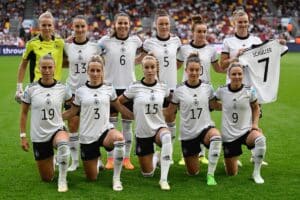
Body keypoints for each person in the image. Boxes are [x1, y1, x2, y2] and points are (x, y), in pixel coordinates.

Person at [62, 55, 133, 191]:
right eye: (92, 70)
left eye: (98, 70)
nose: (95, 74)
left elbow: (119, 107)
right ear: (87, 71)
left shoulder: (109, 89)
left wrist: (135, 116)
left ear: (102, 71)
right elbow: (72, 112)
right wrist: (54, 118)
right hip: (87, 137)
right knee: (92, 177)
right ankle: (97, 161)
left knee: (119, 139)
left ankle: (116, 179)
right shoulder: (80, 91)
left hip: (105, 132)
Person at [220, 8, 268, 166]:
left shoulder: (256, 40)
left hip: (252, 86)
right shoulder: (228, 42)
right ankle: (235, 154)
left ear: (249, 22)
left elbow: (263, 63)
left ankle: (255, 154)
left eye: (245, 21)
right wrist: (236, 56)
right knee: (235, 119)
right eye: (240, 22)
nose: (243, 24)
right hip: (233, 86)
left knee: (255, 117)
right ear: (234, 23)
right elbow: (222, 65)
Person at [165, 53, 222, 185]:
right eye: (191, 70)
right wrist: (145, 112)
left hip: (205, 128)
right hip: (188, 134)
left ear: (200, 70)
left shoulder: (207, 87)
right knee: (193, 172)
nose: (194, 73)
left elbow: (215, 105)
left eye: (197, 70)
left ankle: (210, 175)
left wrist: (235, 105)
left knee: (216, 137)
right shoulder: (179, 90)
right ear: (186, 70)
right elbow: (169, 112)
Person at [119, 53, 173, 190]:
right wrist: (129, 114)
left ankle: (164, 180)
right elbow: (118, 102)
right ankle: (157, 156)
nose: (150, 70)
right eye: (147, 67)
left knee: (167, 136)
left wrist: (167, 112)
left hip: (159, 128)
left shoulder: (163, 87)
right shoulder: (135, 87)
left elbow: (174, 101)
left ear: (156, 69)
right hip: (143, 132)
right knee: (147, 173)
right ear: (142, 69)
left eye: (152, 67)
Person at [177, 14, 224, 165]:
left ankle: (201, 154)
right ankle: (184, 154)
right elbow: (175, 66)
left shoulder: (211, 50)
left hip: (205, 90)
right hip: (186, 90)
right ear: (193, 32)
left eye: (204, 31)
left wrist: (238, 62)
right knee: (187, 120)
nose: (202, 34)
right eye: (199, 31)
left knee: (204, 120)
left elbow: (218, 69)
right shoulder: (184, 49)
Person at [19, 55, 71, 192]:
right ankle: (52, 160)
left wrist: (64, 117)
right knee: (47, 178)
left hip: (57, 130)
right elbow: (24, 112)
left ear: (54, 68)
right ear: (39, 68)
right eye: (44, 67)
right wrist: (23, 136)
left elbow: (73, 106)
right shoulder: (30, 89)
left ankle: (62, 179)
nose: (47, 70)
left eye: (50, 67)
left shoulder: (63, 88)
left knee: (63, 144)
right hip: (39, 136)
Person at [98, 12, 143, 170]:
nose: (123, 26)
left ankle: (126, 158)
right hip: (110, 88)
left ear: (129, 24)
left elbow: (145, 52)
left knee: (127, 126)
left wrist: (137, 61)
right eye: (120, 23)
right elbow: (94, 54)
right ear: (114, 25)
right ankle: (110, 158)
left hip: (129, 89)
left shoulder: (135, 41)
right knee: (110, 125)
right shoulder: (105, 41)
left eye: (126, 23)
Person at [215, 62, 266, 184]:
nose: (237, 76)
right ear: (229, 75)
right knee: (231, 173)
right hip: (229, 136)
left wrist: (255, 125)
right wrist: (226, 107)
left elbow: (256, 107)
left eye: (239, 74)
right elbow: (212, 103)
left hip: (246, 132)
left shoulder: (250, 91)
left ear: (243, 75)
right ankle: (231, 159)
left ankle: (256, 173)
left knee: (260, 139)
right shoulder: (221, 91)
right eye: (234, 74)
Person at [64, 15, 103, 172]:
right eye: (76, 26)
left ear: (87, 28)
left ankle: (97, 159)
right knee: (73, 125)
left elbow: (103, 66)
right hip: (72, 91)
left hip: (90, 91)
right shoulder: (66, 46)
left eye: (82, 26)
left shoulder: (96, 47)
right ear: (72, 28)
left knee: (94, 126)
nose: (79, 29)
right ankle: (74, 161)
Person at [143, 9, 182, 148]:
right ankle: (155, 153)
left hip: (172, 87)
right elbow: (142, 61)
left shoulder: (176, 41)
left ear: (169, 24)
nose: (164, 26)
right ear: (156, 25)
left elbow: (180, 61)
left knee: (171, 119)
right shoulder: (148, 43)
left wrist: (171, 69)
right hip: (155, 88)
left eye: (166, 23)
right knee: (154, 121)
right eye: (161, 24)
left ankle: (168, 153)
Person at [15, 11, 65, 103]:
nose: (47, 28)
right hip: (37, 88)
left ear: (53, 26)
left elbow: (67, 60)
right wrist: (19, 88)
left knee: (56, 117)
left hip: (56, 89)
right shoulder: (32, 44)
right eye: (44, 25)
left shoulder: (60, 43)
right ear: (39, 26)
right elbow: (23, 65)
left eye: (49, 25)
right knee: (38, 116)